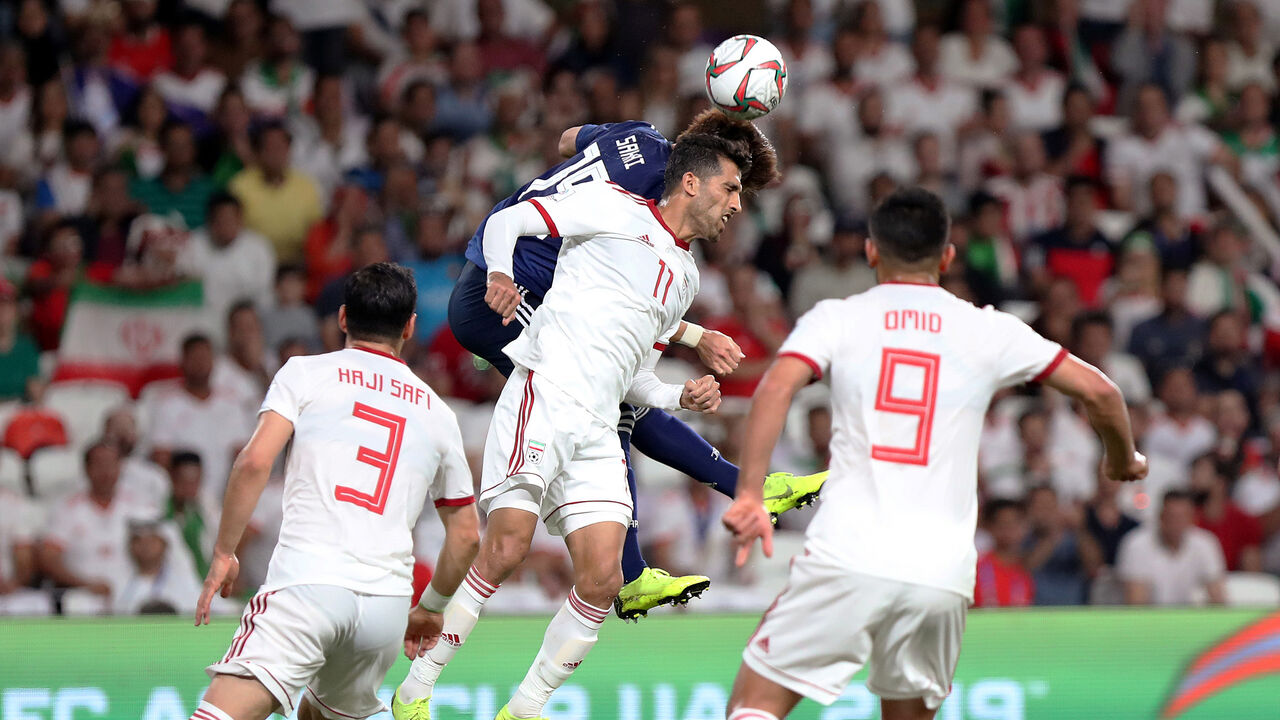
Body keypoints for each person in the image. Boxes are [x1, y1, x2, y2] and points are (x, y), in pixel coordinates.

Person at [721, 187, 1147, 720]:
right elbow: (1102, 392)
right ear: (947, 256)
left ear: (872, 252)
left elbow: (777, 388)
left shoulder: (838, 317)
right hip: (939, 572)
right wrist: (1121, 459)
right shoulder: (988, 328)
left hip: (847, 552)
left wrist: (750, 493)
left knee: (754, 707)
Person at [392, 129, 746, 720]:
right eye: (730, 189)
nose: (737, 204)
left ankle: (524, 709)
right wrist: (500, 275)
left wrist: (681, 395)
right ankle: (415, 690)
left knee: (604, 579)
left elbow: (636, 377)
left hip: (598, 428)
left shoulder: (686, 278)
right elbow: (508, 225)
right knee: (505, 548)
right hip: (545, 396)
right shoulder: (613, 206)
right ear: (690, 182)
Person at [446, 110, 825, 620]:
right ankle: (714, 510)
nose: (734, 204)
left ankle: (650, 557)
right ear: (701, 174)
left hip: (524, 276)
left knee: (619, 390)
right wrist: (696, 335)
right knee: (611, 393)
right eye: (732, 188)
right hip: (510, 286)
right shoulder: (643, 209)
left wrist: (695, 335)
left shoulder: (639, 136)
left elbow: (565, 139)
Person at [191, 263, 480, 720]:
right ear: (409, 326)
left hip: (308, 585)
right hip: (385, 608)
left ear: (343, 318)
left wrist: (225, 551)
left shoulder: (305, 373)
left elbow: (253, 462)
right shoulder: (438, 411)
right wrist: (431, 608)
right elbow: (466, 537)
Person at [1116, 490, 1227, 605]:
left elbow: (1218, 597)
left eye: (1182, 517)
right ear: (1161, 516)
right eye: (1171, 517)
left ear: (1192, 519)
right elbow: (1136, 603)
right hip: (1148, 619)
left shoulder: (1205, 543)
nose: (1176, 524)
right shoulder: (1136, 545)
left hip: (1186, 619)